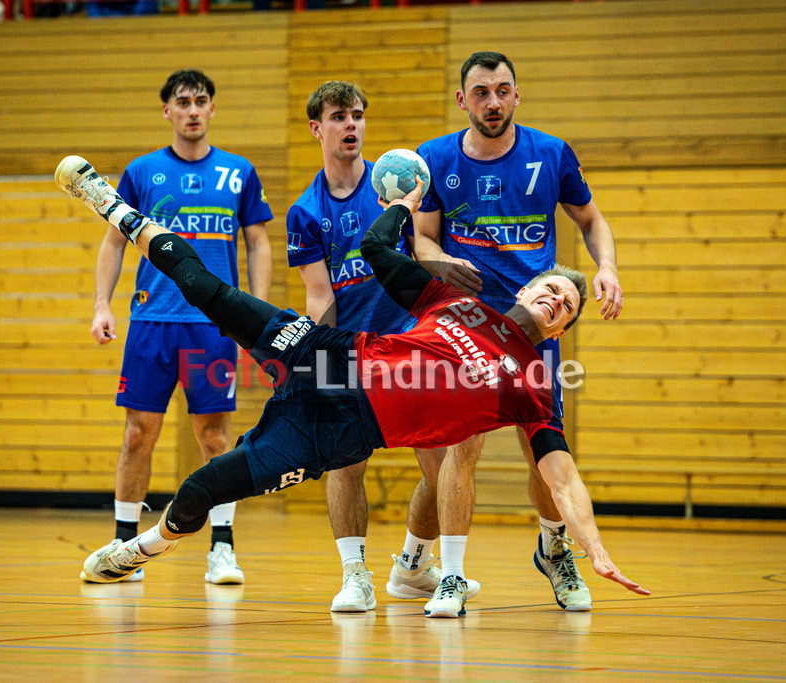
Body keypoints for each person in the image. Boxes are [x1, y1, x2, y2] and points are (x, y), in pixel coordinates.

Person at [56, 153, 649, 618]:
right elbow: (372, 248)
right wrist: (404, 206)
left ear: (562, 326)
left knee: (204, 487)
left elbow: (561, 475)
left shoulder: (532, 386)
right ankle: (116, 208)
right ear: (525, 291)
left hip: (339, 429)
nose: (554, 298)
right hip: (328, 354)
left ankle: (151, 543)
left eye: (566, 304)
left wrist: (593, 543)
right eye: (550, 287)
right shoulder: (456, 301)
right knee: (209, 291)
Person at [412, 51, 624, 612]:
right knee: (463, 450)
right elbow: (423, 239)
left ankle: (555, 552)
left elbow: (591, 220)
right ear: (463, 100)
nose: (493, 102)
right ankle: (452, 576)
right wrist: (438, 264)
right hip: (468, 329)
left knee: (542, 454)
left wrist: (606, 267)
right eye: (481, 92)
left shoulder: (550, 154)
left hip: (537, 331)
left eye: (503, 90)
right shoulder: (434, 160)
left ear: (517, 96)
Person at [287, 81, 479, 612]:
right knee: (346, 463)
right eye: (338, 117)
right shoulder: (306, 210)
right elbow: (319, 293)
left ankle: (414, 567)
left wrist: (441, 265)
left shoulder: (397, 179)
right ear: (316, 128)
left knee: (442, 466)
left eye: (357, 115)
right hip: (349, 347)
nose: (350, 125)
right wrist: (317, 359)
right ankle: (354, 577)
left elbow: (418, 243)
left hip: (410, 342)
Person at [86, 69, 273, 586]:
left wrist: (255, 313)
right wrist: (102, 304)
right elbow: (114, 241)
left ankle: (222, 550)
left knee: (214, 436)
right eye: (183, 101)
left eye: (201, 101)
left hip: (212, 327)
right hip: (151, 321)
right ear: (166, 110)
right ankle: (125, 546)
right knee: (137, 436)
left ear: (213, 110)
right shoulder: (141, 172)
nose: (193, 110)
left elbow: (257, 243)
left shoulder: (238, 173)